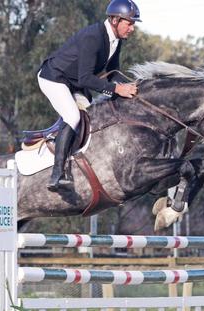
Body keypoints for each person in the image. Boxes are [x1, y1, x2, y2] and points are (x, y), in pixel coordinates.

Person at [37, 0, 141, 192]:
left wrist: (134, 86)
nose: (132, 28)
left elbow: (112, 72)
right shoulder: (93, 37)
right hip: (54, 78)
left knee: (91, 117)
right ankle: (57, 174)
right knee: (73, 116)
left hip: (74, 81)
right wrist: (117, 90)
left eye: (133, 23)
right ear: (115, 20)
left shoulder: (116, 40)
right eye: (130, 22)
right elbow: (86, 78)